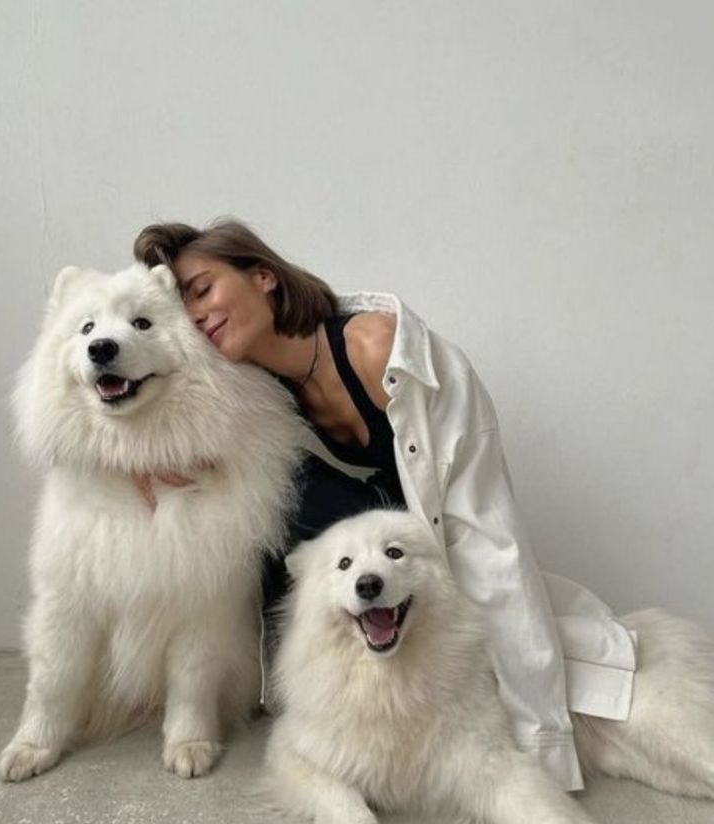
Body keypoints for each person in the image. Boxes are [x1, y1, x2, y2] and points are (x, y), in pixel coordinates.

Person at [133, 218, 636, 792]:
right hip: (333, 636)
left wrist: (542, 746)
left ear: (264, 276)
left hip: (410, 586)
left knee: (582, 671)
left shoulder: (390, 357)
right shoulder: (246, 393)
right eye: (184, 306)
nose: (195, 315)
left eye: (202, 290)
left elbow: (488, 541)